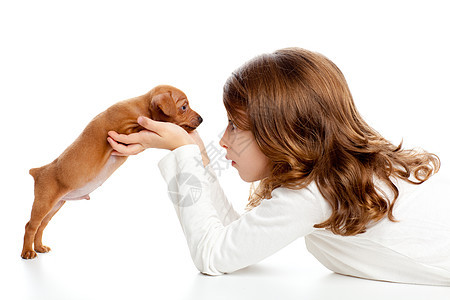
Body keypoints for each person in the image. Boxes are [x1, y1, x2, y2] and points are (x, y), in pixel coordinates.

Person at [106, 48, 450, 286]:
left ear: (282, 133)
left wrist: (183, 155)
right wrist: (195, 154)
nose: (223, 139)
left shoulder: (312, 194)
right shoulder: (331, 177)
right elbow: (238, 238)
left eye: (235, 126)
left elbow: (213, 255)